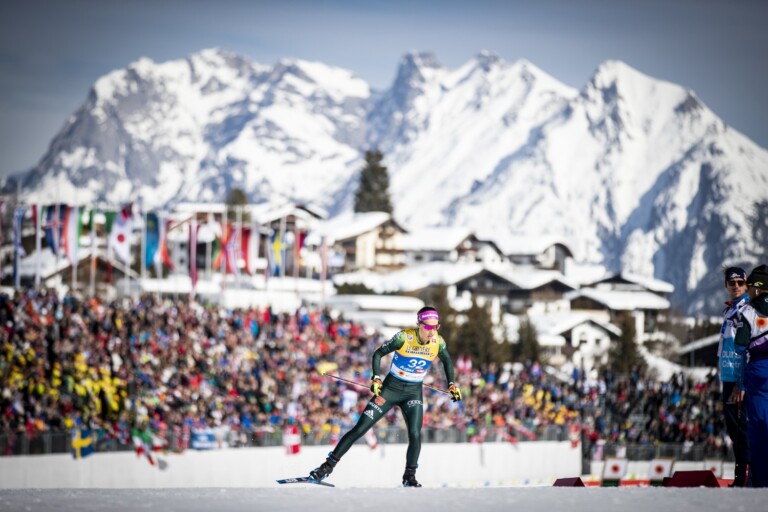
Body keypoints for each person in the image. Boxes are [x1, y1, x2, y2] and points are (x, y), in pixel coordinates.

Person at [308, 306, 462, 487]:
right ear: (419, 324)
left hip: (413, 392)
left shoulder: (438, 342)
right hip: (390, 389)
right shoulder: (404, 337)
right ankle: (326, 468)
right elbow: (378, 353)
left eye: (435, 327)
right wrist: (376, 378)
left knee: (415, 434)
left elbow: (447, 361)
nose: (432, 331)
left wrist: (452, 384)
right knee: (360, 429)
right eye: (428, 327)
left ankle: (409, 476)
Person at [734, 264, 768, 488]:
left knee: (759, 427)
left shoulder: (748, 311)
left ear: (756, 287)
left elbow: (739, 345)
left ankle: (761, 481)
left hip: (758, 371)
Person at [718, 266, 750, 487]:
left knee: (742, 431)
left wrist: (742, 383)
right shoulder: (730, 310)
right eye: (732, 283)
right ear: (726, 286)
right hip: (727, 377)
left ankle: (745, 479)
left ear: (746, 284)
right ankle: (741, 479)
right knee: (734, 431)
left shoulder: (747, 309)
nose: (736, 286)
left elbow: (748, 348)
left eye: (740, 282)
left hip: (739, 379)